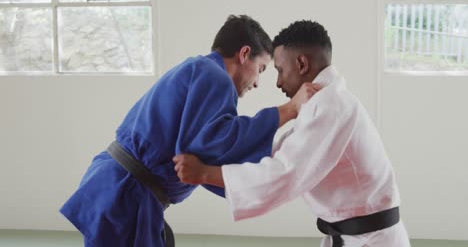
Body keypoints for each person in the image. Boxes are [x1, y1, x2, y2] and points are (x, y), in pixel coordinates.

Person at [60, 15, 319, 247]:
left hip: (118, 187)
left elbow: (200, 146)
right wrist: (287, 111)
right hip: (126, 194)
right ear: (244, 54)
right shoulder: (214, 77)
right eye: (261, 69)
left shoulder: (198, 68)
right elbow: (212, 141)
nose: (257, 82)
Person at [173, 20, 411, 247]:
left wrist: (205, 173)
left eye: (279, 70)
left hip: (370, 240)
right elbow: (279, 152)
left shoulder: (331, 105)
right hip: (356, 236)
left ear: (301, 64)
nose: (277, 82)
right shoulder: (324, 102)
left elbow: (284, 173)